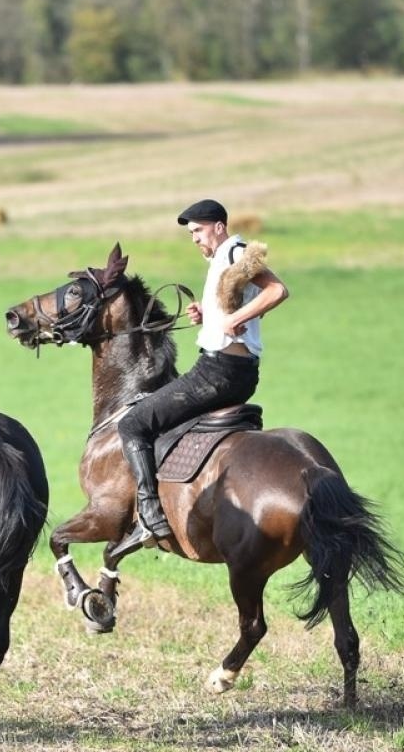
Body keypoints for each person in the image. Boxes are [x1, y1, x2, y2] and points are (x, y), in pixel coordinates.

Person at [116, 198, 289, 550]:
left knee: (132, 424)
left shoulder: (234, 252)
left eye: (198, 230)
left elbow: (277, 290)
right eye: (191, 233)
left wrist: (234, 320)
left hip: (218, 371)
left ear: (219, 227)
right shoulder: (221, 259)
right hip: (235, 370)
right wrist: (207, 314)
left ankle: (149, 516)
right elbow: (241, 308)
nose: (194, 238)